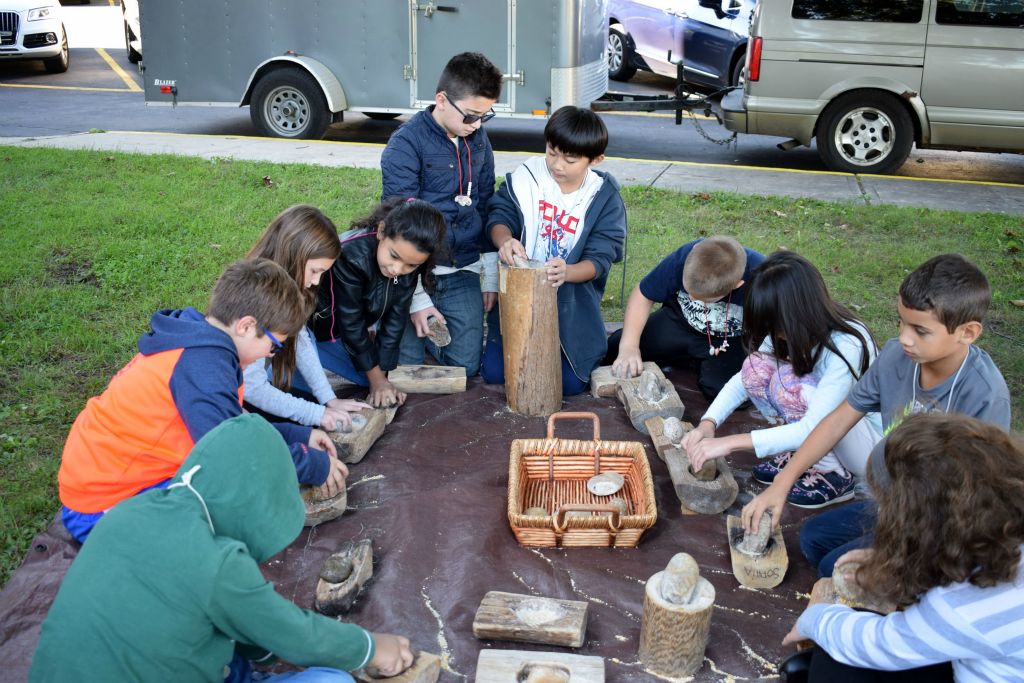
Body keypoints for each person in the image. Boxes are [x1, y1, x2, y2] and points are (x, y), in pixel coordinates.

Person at [31, 414, 414, 683]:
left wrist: (260, 651)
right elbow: (294, 633)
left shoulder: (131, 510)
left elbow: (244, 624)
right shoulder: (215, 562)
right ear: (251, 500)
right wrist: (368, 648)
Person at [743, 253, 1011, 577]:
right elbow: (838, 419)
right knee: (812, 541)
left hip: (934, 522)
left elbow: (975, 498)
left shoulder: (984, 394)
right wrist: (783, 483)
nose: (904, 338)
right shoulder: (896, 357)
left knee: (835, 568)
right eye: (901, 321)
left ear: (967, 332)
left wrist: (899, 545)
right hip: (890, 503)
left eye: (920, 330)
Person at [57, 259, 345, 543]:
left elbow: (237, 426)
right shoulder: (204, 366)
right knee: (231, 512)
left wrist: (299, 434)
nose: (272, 354)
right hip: (101, 506)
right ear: (245, 326)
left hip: (133, 476)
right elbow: (233, 453)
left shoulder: (203, 342)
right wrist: (310, 465)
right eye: (274, 344)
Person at [781, 413, 1024, 682]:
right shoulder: (1003, 525)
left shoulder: (961, 607)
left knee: (834, 664)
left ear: (921, 526)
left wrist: (814, 620)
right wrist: (898, 559)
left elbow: (880, 644)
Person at [683, 251, 881, 508]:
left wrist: (729, 444)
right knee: (757, 367)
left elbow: (814, 427)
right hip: (820, 429)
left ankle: (833, 473)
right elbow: (743, 380)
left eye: (774, 326)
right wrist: (708, 423)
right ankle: (805, 456)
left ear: (795, 314)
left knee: (789, 385)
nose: (773, 334)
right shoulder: (789, 331)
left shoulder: (846, 346)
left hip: (866, 450)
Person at [480, 106, 626, 395]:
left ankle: (599, 345)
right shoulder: (528, 176)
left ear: (595, 159)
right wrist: (505, 240)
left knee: (569, 385)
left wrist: (568, 272)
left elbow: (601, 259)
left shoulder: (603, 197)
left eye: (570, 159)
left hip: (570, 304)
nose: (557, 165)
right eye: (552, 152)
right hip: (520, 296)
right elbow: (499, 217)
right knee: (496, 375)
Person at [380, 52, 503, 377]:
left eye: (484, 117)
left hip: (462, 269)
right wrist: (418, 300)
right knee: (403, 369)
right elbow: (400, 231)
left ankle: (434, 333)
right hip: (410, 275)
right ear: (442, 100)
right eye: (471, 116)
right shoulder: (404, 145)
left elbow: (488, 201)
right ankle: (403, 319)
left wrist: (489, 274)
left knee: (466, 367)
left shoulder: (478, 139)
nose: (476, 125)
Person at [309, 198, 446, 408]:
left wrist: (382, 380)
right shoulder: (351, 256)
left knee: (375, 376)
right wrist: (378, 381)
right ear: (382, 231)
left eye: (411, 265)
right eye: (394, 256)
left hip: (357, 328)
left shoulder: (409, 263)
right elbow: (351, 324)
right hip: (321, 332)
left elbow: (395, 320)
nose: (397, 270)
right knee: (363, 379)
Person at [244, 205, 370, 431]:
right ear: (294, 253)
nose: (315, 282)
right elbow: (252, 388)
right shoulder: (256, 298)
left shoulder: (285, 285)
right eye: (315, 271)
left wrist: (328, 399)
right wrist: (317, 413)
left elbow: (300, 340)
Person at [605, 236, 766, 399]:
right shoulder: (688, 256)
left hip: (728, 339)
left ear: (737, 284)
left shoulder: (763, 277)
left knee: (724, 392)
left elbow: (781, 325)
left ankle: (695, 360)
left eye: (703, 299)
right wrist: (629, 347)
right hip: (680, 320)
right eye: (689, 293)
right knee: (613, 349)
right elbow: (643, 295)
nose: (693, 299)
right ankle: (687, 357)